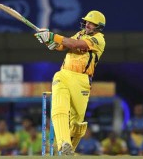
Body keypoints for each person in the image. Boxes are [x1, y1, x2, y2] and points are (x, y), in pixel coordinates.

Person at [35, 10, 106, 155]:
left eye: (90, 23)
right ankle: (63, 143)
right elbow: (61, 46)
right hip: (64, 74)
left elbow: (73, 44)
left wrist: (52, 36)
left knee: (77, 123)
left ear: (98, 26)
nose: (87, 24)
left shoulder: (99, 40)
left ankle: (68, 151)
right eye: (86, 21)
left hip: (82, 80)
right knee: (59, 108)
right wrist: (47, 39)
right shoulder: (80, 33)